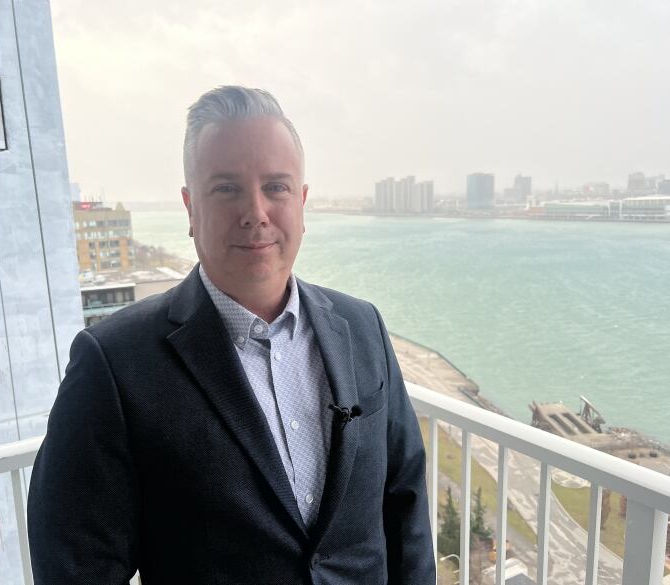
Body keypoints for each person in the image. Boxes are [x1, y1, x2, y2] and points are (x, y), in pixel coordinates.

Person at [27, 86, 435, 584]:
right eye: (226, 188)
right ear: (189, 207)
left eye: (277, 187)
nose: (256, 212)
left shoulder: (362, 326)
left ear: (302, 202)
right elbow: (76, 565)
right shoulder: (113, 364)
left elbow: (405, 504)